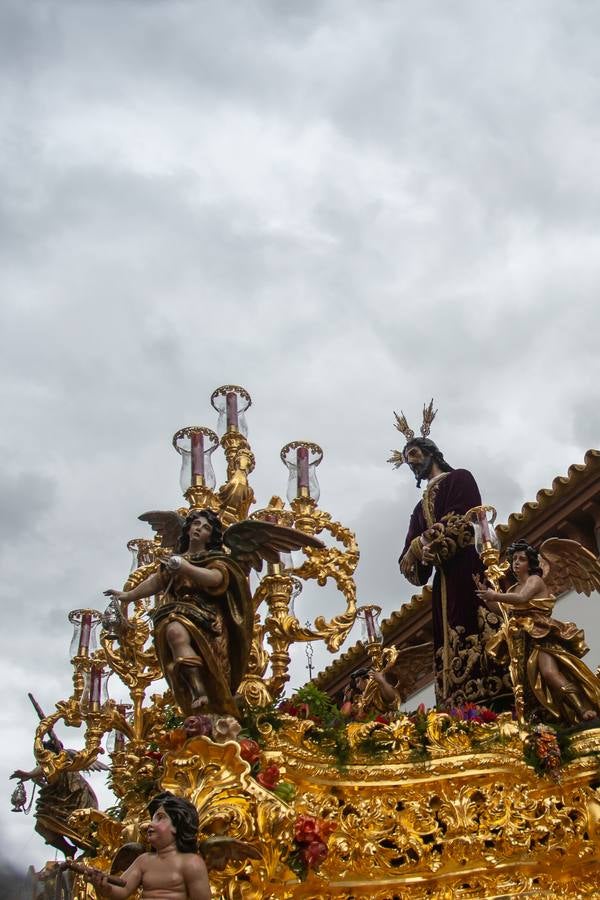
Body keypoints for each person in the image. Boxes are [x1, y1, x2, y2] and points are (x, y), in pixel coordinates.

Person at [393, 414, 510, 708]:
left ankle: (497, 697)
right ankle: (458, 707)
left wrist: (421, 545)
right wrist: (418, 553)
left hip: (470, 570)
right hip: (444, 586)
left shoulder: (460, 478)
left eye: (414, 454)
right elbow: (408, 563)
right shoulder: (418, 510)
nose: (411, 462)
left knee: (480, 631)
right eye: (407, 460)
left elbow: (463, 519)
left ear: (431, 452)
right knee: (449, 644)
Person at [105, 510, 253, 718]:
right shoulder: (175, 560)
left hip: (207, 618)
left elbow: (216, 578)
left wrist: (186, 568)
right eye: (196, 524)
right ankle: (197, 690)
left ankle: (207, 694)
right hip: (178, 611)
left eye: (206, 528)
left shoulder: (214, 558)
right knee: (174, 633)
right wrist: (128, 596)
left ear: (210, 537)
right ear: (188, 528)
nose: (199, 529)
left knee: (188, 642)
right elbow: (157, 582)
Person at [476, 540, 600, 725]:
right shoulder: (512, 589)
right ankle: (559, 717)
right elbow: (504, 611)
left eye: (522, 559)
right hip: (524, 640)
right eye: (514, 559)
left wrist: (496, 595)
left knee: (549, 673)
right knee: (532, 685)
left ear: (531, 563)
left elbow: (522, 598)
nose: (516, 562)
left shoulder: (534, 580)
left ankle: (583, 709)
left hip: (541, 634)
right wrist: (487, 597)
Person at [92, 792, 211, 900]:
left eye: (160, 818)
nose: (151, 824)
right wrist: (105, 887)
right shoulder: (144, 860)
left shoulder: (191, 863)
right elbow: (122, 889)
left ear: (177, 825)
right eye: (152, 819)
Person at [10, 735, 101, 858]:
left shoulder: (62, 760)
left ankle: (88, 849)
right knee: (42, 826)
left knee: (76, 831)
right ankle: (68, 850)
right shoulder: (52, 767)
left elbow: (49, 764)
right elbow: (51, 782)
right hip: (60, 804)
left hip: (74, 803)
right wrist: (38, 781)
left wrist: (29, 774)